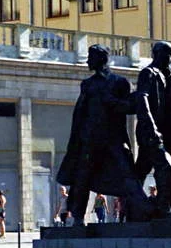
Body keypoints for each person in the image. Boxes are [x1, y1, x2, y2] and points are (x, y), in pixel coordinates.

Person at [56, 44, 152, 227]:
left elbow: (131, 107)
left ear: (101, 59)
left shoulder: (120, 82)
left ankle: (143, 209)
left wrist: (112, 102)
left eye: (90, 57)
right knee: (82, 177)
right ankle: (78, 218)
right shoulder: (87, 84)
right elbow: (80, 114)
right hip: (90, 139)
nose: (87, 61)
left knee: (128, 174)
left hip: (113, 138)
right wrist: (77, 140)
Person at [134, 41, 171, 218]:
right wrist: (151, 127)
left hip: (160, 132)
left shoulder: (166, 78)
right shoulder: (148, 73)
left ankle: (133, 207)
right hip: (150, 132)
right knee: (165, 166)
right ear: (157, 54)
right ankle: (163, 208)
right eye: (168, 54)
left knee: (141, 169)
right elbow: (142, 99)